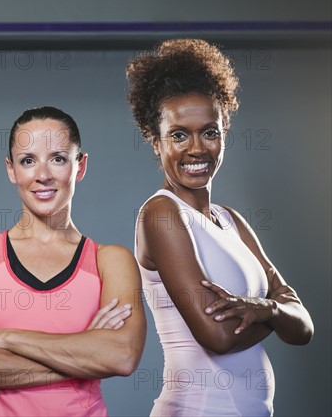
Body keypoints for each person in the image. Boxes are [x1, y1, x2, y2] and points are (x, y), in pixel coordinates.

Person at [126, 39, 314, 416]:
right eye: (179, 135)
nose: (196, 148)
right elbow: (218, 338)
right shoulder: (162, 214)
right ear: (154, 141)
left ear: (224, 132)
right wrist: (276, 312)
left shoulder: (232, 222)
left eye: (209, 132)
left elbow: (304, 327)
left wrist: (264, 309)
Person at [0, 106, 146, 416]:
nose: (43, 175)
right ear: (11, 170)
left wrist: (6, 338)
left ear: (80, 165)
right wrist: (83, 352)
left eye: (58, 158)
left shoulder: (110, 261)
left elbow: (121, 356)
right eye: (28, 161)